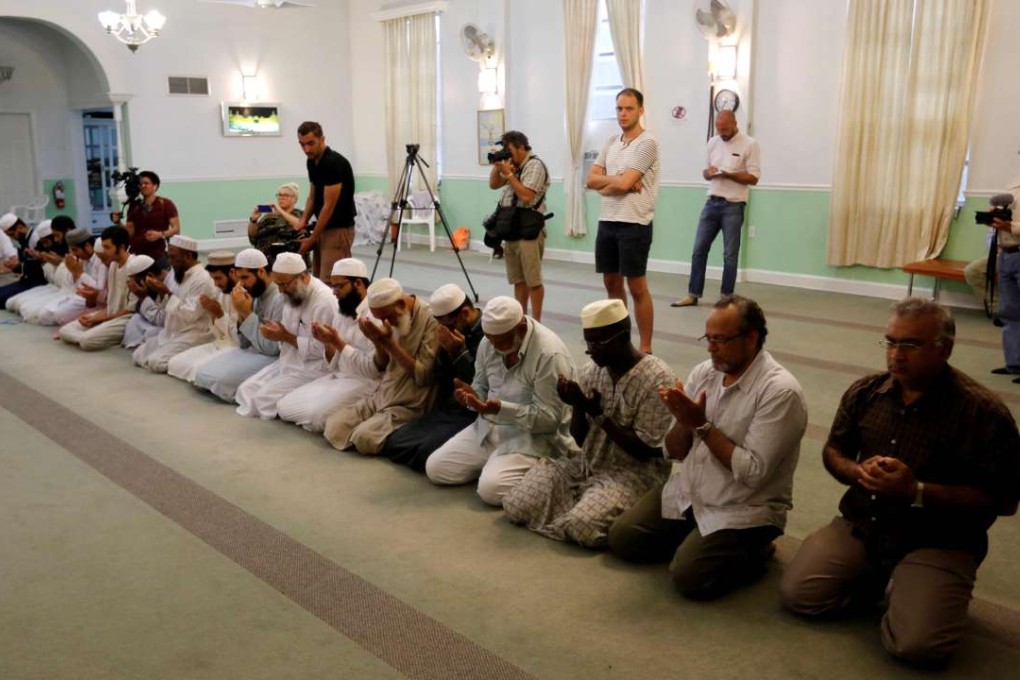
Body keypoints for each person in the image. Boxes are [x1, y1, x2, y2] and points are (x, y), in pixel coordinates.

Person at [780, 298, 1020, 667]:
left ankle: (920, 587)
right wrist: (856, 473)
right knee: (800, 596)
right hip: (864, 524)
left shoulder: (983, 413)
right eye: (890, 342)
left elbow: (1003, 501)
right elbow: (834, 451)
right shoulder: (867, 392)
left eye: (910, 345)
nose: (896, 355)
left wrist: (917, 492)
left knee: (917, 647)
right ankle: (891, 584)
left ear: (946, 348)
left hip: (939, 540)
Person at [609, 295, 807, 600]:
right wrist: (682, 420)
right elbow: (674, 451)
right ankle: (699, 541)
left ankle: (757, 549)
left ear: (752, 337)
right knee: (623, 538)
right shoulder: (705, 372)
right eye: (708, 338)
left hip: (744, 507)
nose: (711, 347)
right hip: (693, 492)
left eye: (721, 340)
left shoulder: (780, 392)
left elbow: (752, 473)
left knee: (688, 577)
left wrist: (702, 425)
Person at [504, 299, 675, 547]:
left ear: (623, 336)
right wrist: (577, 405)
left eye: (598, 343)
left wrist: (599, 415)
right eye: (587, 342)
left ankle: (585, 511)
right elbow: (580, 439)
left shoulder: (657, 379)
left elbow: (647, 450)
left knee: (582, 525)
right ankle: (585, 506)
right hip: (585, 465)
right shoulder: (591, 370)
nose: (590, 351)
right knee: (516, 504)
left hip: (633, 475)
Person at [425, 296, 577, 506]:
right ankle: (498, 463)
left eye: (503, 341)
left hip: (532, 438)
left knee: (490, 491)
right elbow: (481, 385)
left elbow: (550, 420)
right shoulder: (489, 343)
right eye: (490, 338)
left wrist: (501, 409)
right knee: (436, 469)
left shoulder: (549, 354)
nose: (495, 346)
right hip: (489, 428)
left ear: (521, 327)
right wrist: (471, 397)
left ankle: (519, 466)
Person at [323, 278, 439, 455]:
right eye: (381, 319)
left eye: (388, 317)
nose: (387, 323)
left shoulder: (431, 320)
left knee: (364, 438)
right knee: (333, 426)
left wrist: (389, 344)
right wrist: (377, 342)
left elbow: (423, 376)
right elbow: (381, 365)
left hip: (409, 402)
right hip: (383, 393)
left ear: (400, 304)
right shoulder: (392, 317)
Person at [381, 284, 485, 472]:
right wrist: (446, 352)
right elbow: (439, 376)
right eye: (440, 325)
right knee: (395, 441)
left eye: (448, 325)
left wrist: (459, 353)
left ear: (465, 313)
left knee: (425, 452)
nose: (443, 331)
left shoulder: (488, 334)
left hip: (475, 412)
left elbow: (483, 385)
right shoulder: (448, 332)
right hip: (448, 409)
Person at [586, 88, 660, 354]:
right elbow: (590, 180)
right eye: (619, 108)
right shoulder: (611, 142)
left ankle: (646, 347)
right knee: (611, 283)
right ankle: (621, 339)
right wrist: (617, 182)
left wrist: (611, 182)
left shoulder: (647, 142)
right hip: (607, 221)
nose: (623, 114)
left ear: (641, 110)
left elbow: (621, 182)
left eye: (629, 108)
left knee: (637, 286)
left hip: (635, 223)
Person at [276, 258, 378, 432]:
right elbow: (332, 362)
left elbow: (373, 370)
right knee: (283, 406)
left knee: (316, 416)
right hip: (338, 377)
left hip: (365, 382)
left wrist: (337, 342)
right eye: (332, 286)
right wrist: (327, 342)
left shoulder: (374, 315)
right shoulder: (342, 311)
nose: (334, 293)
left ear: (359, 283)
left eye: (339, 287)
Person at [672, 110, 761, 308]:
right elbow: (706, 172)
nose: (723, 133)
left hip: (734, 205)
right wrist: (709, 173)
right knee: (698, 250)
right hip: (711, 202)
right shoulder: (712, 142)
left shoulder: (750, 144)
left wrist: (730, 175)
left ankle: (726, 297)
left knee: (730, 254)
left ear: (735, 124)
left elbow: (754, 177)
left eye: (726, 129)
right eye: (720, 129)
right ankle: (693, 294)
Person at [234, 252, 338, 419]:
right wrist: (276, 331)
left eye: (284, 285)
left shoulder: (324, 301)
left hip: (314, 368)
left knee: (261, 400)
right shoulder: (293, 294)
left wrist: (284, 337)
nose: (281, 292)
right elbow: (287, 332)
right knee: (245, 390)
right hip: (290, 361)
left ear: (303, 278)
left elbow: (321, 350)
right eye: (278, 285)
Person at [193, 248, 286, 402]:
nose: (241, 284)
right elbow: (243, 343)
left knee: (220, 380)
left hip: (273, 358)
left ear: (261, 272)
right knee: (202, 373)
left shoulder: (279, 298)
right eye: (239, 278)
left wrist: (247, 313)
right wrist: (242, 313)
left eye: (245, 277)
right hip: (252, 351)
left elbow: (272, 349)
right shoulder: (256, 293)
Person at [489, 131, 550, 321]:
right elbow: (494, 184)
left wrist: (509, 174)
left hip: (529, 228)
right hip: (511, 226)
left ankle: (537, 322)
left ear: (521, 147)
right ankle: (521, 318)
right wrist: (497, 165)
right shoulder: (511, 165)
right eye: (503, 149)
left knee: (533, 280)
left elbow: (526, 196)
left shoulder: (535, 165)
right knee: (518, 279)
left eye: (509, 149)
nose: (506, 153)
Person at [132, 235, 216, 373]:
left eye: (173, 257)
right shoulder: (177, 274)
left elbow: (191, 314)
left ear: (188, 256)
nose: (170, 262)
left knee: (156, 363)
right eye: (168, 257)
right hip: (172, 332)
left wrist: (167, 293)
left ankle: (195, 357)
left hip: (194, 333)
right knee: (138, 355)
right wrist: (160, 293)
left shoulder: (202, 279)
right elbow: (167, 309)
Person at [58, 226, 139, 350]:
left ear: (121, 247)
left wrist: (99, 319)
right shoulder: (113, 265)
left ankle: (93, 336)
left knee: (87, 342)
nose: (104, 252)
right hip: (110, 314)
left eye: (107, 248)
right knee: (64, 331)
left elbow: (130, 309)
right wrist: (95, 318)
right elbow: (111, 304)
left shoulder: (133, 266)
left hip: (125, 319)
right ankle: (93, 335)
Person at [166, 252, 240, 384]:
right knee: (174, 363)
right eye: (213, 279)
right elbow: (217, 334)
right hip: (219, 343)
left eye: (219, 278)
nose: (216, 284)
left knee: (198, 369)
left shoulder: (243, 296)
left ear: (232, 273)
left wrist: (219, 315)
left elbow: (238, 337)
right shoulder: (219, 293)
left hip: (234, 347)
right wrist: (213, 314)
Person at [295, 121, 356, 280]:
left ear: (322, 139)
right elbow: (313, 197)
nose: (306, 149)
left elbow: (328, 206)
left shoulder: (333, 163)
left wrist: (313, 238)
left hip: (338, 229)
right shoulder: (312, 161)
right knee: (319, 278)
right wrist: (303, 221)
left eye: (310, 143)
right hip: (323, 228)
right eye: (302, 145)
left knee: (334, 281)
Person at [38, 232, 108, 328]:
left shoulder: (101, 260)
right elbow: (73, 285)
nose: (74, 254)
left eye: (75, 250)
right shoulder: (81, 258)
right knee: (44, 315)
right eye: (71, 250)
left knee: (59, 315)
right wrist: (73, 272)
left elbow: (99, 289)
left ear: (87, 246)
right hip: (77, 296)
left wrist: (79, 273)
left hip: (95, 302)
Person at [990, 173, 1020, 382]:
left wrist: (1010, 227)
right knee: (1010, 313)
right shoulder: (1012, 185)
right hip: (1008, 254)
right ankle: (1014, 363)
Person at [125, 170, 181, 260]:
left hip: (157, 253)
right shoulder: (135, 206)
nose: (143, 186)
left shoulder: (165, 204)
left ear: (155, 186)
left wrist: (160, 234)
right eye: (140, 184)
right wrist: (117, 222)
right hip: (137, 254)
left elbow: (176, 229)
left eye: (146, 183)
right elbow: (129, 233)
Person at [121, 257, 175, 350]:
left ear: (149, 276)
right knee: (136, 319)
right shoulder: (159, 282)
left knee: (153, 333)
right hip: (159, 323)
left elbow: (161, 321)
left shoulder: (171, 285)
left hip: (172, 329)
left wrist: (142, 297)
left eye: (137, 281)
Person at [247, 182, 305, 266]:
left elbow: (300, 225)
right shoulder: (268, 217)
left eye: (285, 195)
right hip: (266, 260)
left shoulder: (300, 214)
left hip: (289, 261)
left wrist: (280, 210)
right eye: (279, 195)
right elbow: (253, 237)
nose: (281, 198)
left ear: (294, 199)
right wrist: (253, 220)